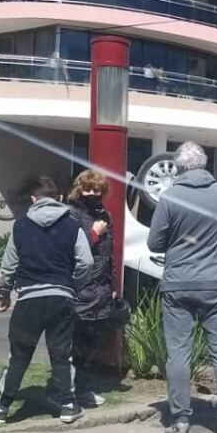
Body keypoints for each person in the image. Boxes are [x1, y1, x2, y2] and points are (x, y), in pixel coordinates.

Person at [148, 142, 217, 433]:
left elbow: (154, 243)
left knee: (179, 353)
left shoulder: (170, 197)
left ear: (178, 168)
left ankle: (180, 422)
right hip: (215, 283)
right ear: (204, 165)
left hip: (178, 283)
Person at [0, 176, 94, 426]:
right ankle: (68, 405)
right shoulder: (72, 226)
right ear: (59, 199)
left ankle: (1, 408)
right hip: (61, 297)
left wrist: (4, 295)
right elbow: (86, 262)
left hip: (29, 298)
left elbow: (9, 266)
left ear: (33, 199)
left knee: (19, 355)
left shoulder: (20, 226)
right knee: (61, 354)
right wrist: (72, 285)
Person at [66, 169, 124, 409]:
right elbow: (70, 249)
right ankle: (72, 390)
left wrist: (112, 285)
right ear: (80, 190)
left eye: (98, 190)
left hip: (100, 290)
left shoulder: (105, 215)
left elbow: (109, 254)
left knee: (91, 343)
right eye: (89, 189)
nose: (93, 193)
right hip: (81, 289)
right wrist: (94, 234)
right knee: (76, 342)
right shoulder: (72, 215)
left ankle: (82, 387)